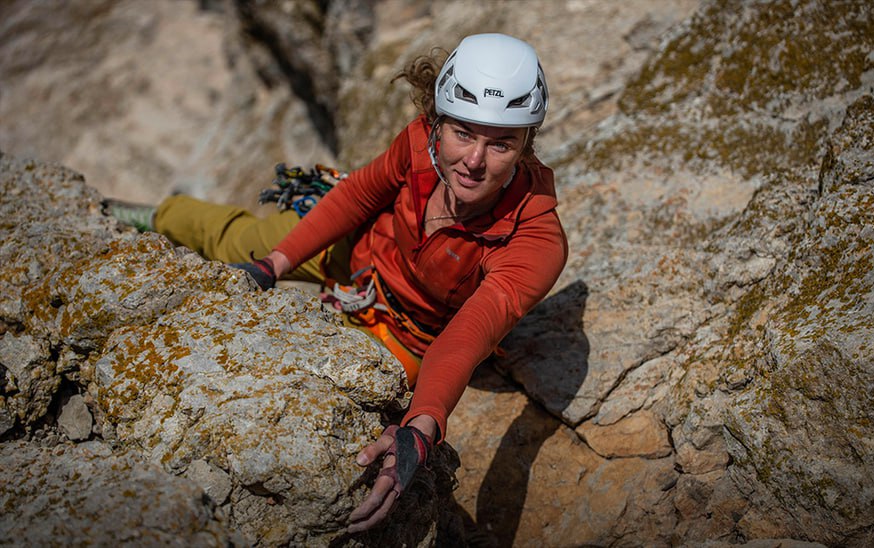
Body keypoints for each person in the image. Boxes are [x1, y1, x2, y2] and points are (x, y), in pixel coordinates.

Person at [105, 33, 567, 532]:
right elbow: (359, 196)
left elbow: (469, 334)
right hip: (357, 251)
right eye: (462, 133)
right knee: (243, 240)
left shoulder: (536, 240)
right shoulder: (418, 143)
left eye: (500, 143)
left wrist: (421, 427)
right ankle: (151, 216)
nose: (474, 161)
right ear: (437, 123)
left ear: (525, 145)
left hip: (408, 333)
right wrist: (273, 265)